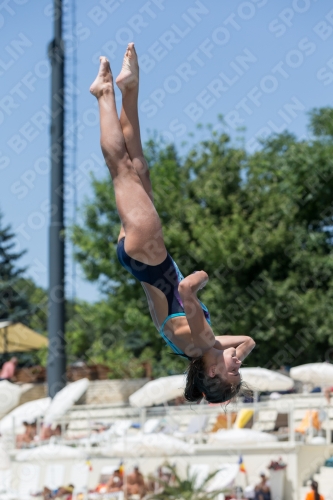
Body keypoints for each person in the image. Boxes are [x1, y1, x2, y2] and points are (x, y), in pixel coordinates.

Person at [90, 43, 256, 404]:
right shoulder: (199, 348)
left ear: (212, 372)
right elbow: (247, 342)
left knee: (121, 168)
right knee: (138, 166)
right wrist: (235, 352)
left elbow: (185, 292)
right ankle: (128, 88)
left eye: (234, 370)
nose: (238, 364)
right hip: (140, 257)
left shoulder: (200, 341)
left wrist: (202, 277)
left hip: (150, 254)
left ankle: (103, 94)